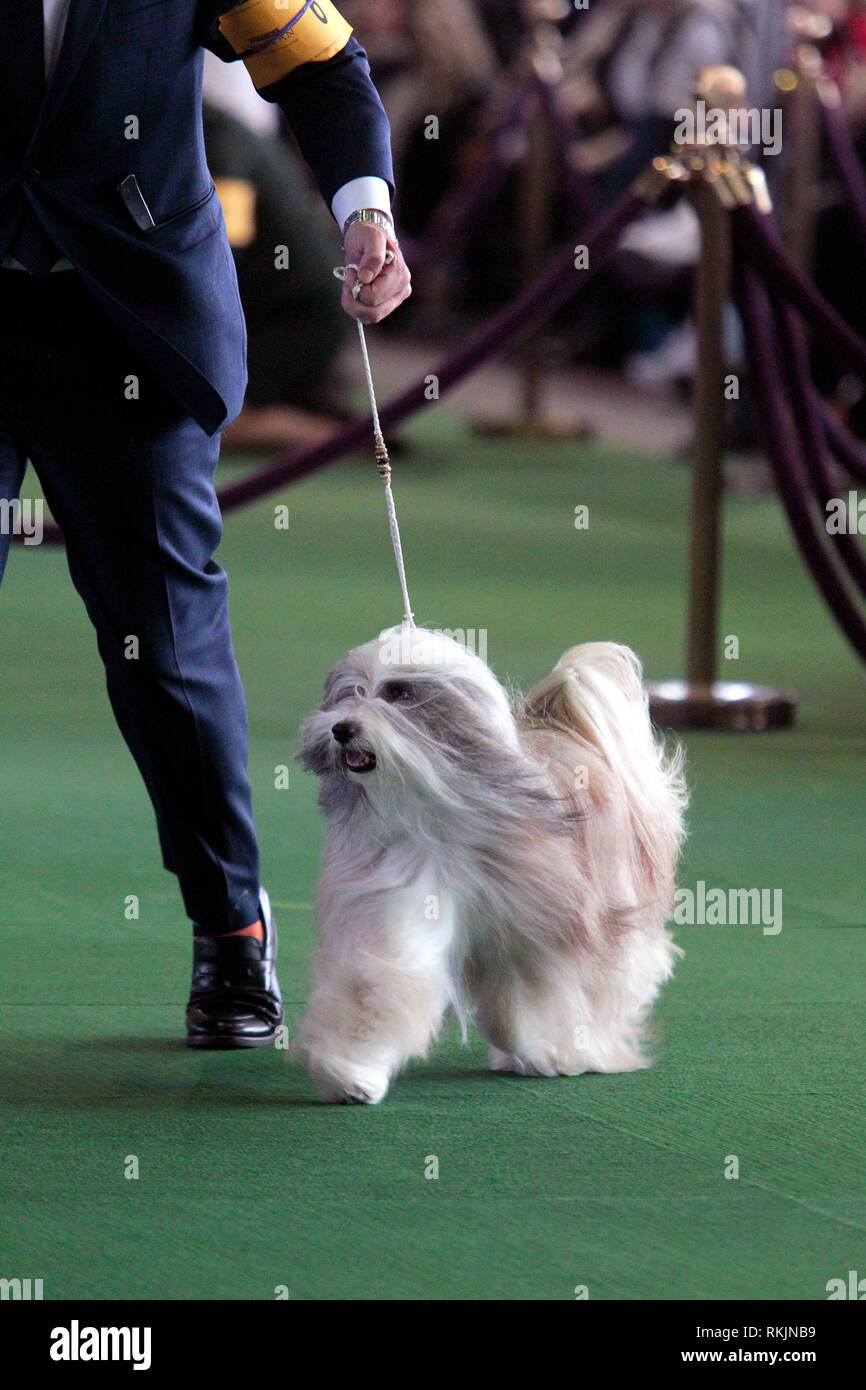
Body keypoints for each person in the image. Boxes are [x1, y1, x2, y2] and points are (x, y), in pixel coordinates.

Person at [0, 1, 411, 1049]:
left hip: (132, 316)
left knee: (163, 645)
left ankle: (231, 928)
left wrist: (367, 212)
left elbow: (320, 65)